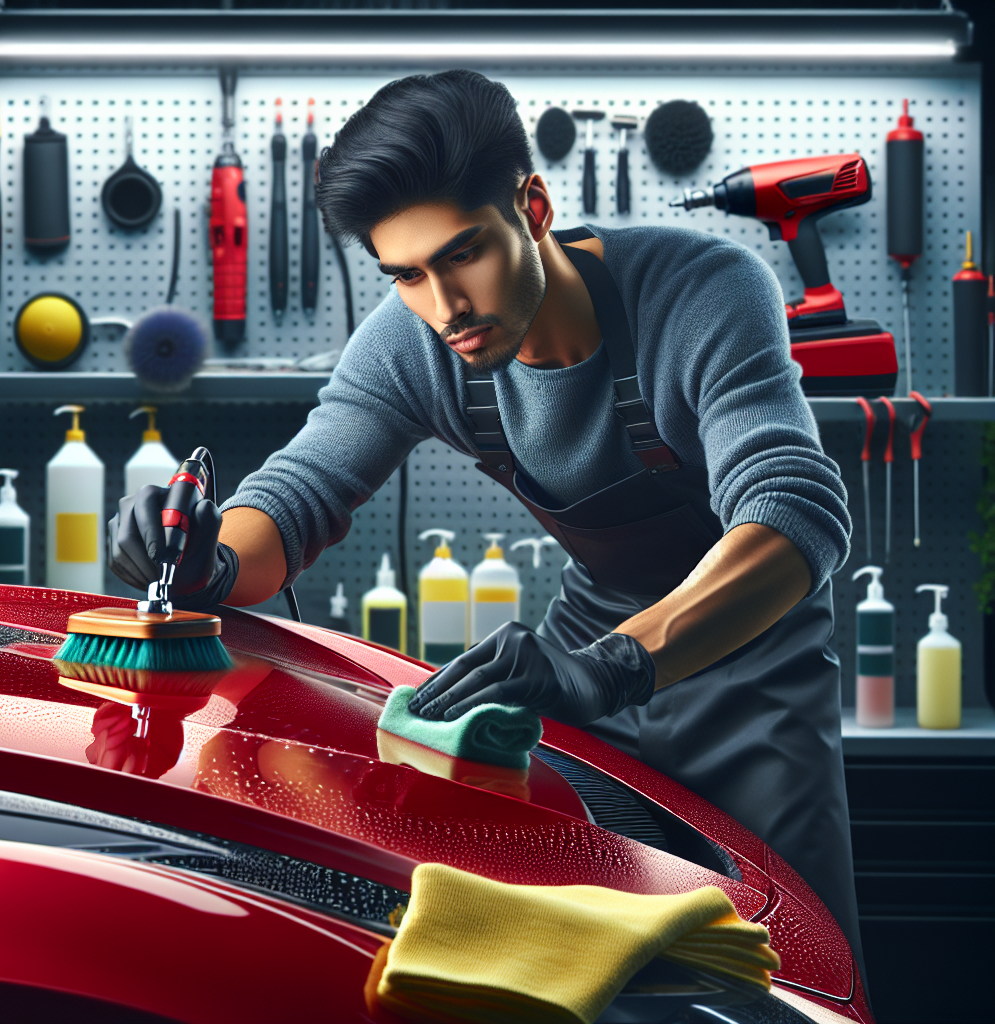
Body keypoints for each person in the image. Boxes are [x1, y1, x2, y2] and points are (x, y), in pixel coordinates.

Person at [109, 70, 862, 974]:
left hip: (753, 662)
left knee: (787, 965)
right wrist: (205, 564)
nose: (444, 306)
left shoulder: (703, 290)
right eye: (407, 275)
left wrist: (616, 665)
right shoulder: (413, 339)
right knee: (577, 948)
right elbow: (297, 496)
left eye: (463, 255)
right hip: (582, 657)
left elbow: (792, 512)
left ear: (532, 207)